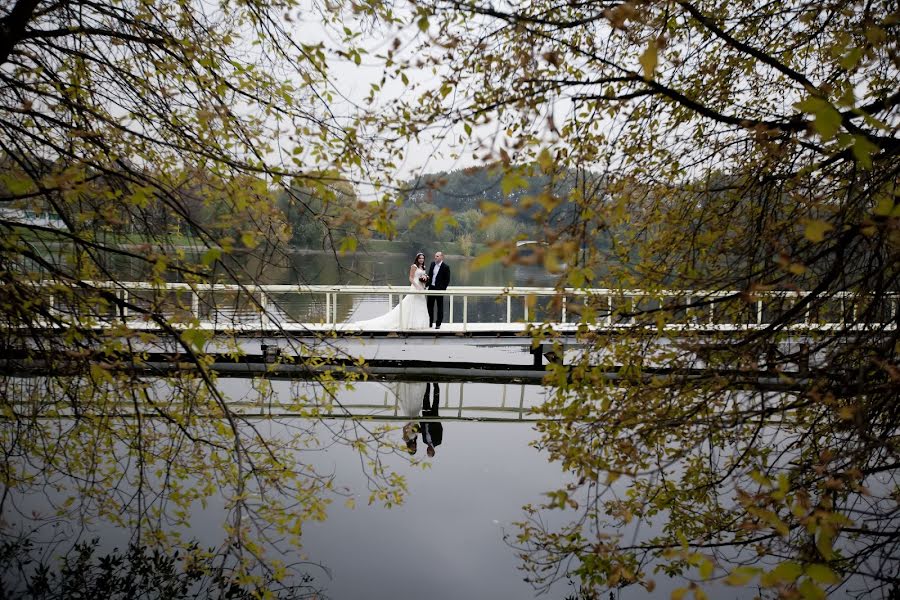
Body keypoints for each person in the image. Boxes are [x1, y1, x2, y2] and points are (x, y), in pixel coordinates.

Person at [353, 252, 430, 330]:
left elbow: (423, 276)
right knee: (412, 303)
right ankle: (409, 323)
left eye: (423, 258)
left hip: (421, 287)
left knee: (420, 304)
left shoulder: (423, 267)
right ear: (417, 259)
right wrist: (416, 286)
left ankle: (418, 324)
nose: (421, 260)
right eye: (420, 258)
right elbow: (410, 278)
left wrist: (425, 279)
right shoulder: (414, 266)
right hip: (415, 287)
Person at [426, 251, 451, 329]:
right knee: (429, 306)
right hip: (431, 289)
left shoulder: (446, 267)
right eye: (435, 256)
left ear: (441, 257)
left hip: (439, 290)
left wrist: (442, 289)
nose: (435, 257)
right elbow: (430, 275)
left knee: (440, 307)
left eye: (437, 256)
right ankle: (429, 322)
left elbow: (447, 280)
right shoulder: (432, 264)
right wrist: (426, 285)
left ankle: (438, 324)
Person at [420, 382, 443, 458]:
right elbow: (440, 430)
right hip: (434, 418)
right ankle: (435, 383)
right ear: (433, 451)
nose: (427, 451)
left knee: (425, 398)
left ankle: (427, 382)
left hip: (425, 418)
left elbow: (423, 430)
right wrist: (436, 421)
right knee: (436, 400)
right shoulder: (438, 442)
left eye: (427, 452)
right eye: (429, 452)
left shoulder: (424, 441)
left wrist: (420, 421)